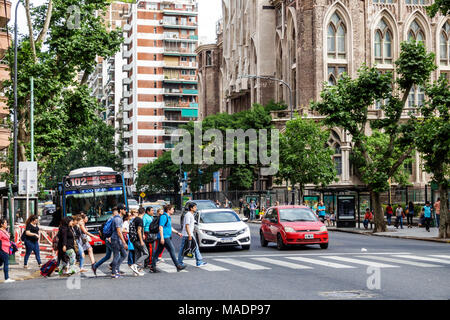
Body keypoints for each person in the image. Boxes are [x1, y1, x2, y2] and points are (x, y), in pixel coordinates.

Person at [149, 205, 186, 273]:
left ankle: (153, 266)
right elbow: (160, 227)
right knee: (172, 250)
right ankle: (178, 265)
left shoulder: (168, 217)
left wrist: (177, 233)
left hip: (165, 237)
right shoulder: (164, 216)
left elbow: (169, 227)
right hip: (164, 237)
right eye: (172, 209)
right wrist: (162, 238)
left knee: (157, 252)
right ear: (168, 210)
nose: (173, 210)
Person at [178, 203, 207, 268]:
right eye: (195, 207)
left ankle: (199, 262)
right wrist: (190, 235)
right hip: (187, 235)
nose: (196, 208)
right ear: (191, 208)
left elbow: (190, 225)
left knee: (194, 247)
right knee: (184, 249)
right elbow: (187, 225)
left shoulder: (191, 215)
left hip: (188, 234)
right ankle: (180, 262)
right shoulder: (188, 215)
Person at [92, 210, 116, 276]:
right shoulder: (113, 220)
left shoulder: (109, 219)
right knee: (117, 254)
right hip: (109, 239)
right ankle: (114, 268)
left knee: (108, 256)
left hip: (107, 239)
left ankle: (95, 266)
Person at [111, 204, 128, 279]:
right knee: (116, 256)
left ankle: (116, 269)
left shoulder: (119, 218)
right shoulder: (118, 219)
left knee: (124, 254)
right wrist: (124, 242)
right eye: (124, 209)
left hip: (117, 240)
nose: (125, 211)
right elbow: (118, 232)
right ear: (120, 210)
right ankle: (114, 272)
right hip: (116, 240)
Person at [129, 208, 147, 276]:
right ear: (144, 212)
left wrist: (142, 234)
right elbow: (138, 230)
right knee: (146, 253)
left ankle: (135, 271)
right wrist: (141, 240)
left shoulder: (135, 219)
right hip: (138, 240)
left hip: (134, 239)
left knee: (138, 254)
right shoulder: (140, 220)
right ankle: (135, 265)